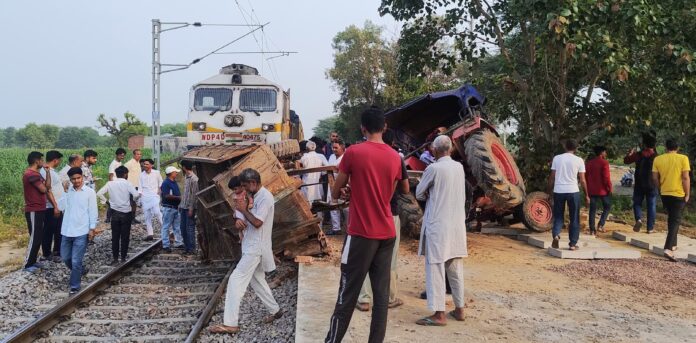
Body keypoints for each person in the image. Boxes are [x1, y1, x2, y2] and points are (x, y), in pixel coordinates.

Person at [324, 107, 402, 343]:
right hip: (387, 233)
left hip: (360, 234)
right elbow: (386, 195)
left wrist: (349, 190)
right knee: (381, 300)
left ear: (362, 128)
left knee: (346, 295)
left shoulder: (354, 153)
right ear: (384, 127)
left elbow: (335, 192)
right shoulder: (394, 157)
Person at [209, 168, 281, 335]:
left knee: (235, 280)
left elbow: (257, 222)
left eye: (244, 186)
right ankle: (275, 310)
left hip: (256, 247)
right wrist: (239, 221)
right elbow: (247, 218)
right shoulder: (254, 196)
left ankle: (230, 323)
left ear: (253, 183)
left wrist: (243, 211)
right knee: (257, 280)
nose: (243, 189)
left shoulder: (265, 197)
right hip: (250, 244)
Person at [413, 135, 467, 326]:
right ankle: (459, 309)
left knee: (435, 267)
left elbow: (419, 192)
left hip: (438, 226)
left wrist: (430, 192)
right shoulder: (459, 167)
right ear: (450, 149)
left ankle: (439, 314)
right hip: (456, 225)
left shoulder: (433, 168)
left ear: (434, 150)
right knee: (455, 268)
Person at [357, 129, 409, 312]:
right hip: (390, 214)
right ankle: (389, 297)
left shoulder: (361, 154)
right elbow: (406, 189)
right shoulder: (396, 157)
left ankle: (364, 299)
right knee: (389, 259)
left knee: (364, 258)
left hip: (366, 215)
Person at [58, 167, 97, 294]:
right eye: (73, 179)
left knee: (76, 260)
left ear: (83, 177)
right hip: (67, 230)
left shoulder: (89, 192)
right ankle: (80, 270)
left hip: (81, 231)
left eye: (78, 178)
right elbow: (60, 207)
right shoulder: (68, 192)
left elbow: (93, 211)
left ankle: (74, 286)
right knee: (66, 258)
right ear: (70, 180)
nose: (76, 181)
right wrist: (64, 192)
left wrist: (92, 228)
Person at [651, 139, 690, 262]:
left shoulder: (658, 159)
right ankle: (668, 249)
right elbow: (685, 177)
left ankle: (673, 244)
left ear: (666, 147)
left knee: (672, 218)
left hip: (665, 193)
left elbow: (654, 177)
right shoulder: (683, 158)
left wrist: (660, 187)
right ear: (677, 147)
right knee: (675, 220)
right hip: (678, 194)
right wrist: (687, 193)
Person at [548, 139, 590, 250]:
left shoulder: (557, 158)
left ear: (565, 146)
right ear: (575, 148)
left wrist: (549, 192)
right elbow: (582, 180)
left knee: (558, 216)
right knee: (574, 218)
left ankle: (556, 235)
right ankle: (572, 244)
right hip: (573, 191)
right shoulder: (579, 160)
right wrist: (586, 195)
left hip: (559, 191)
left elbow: (552, 177)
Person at [97, 166, 140, 265]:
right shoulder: (128, 183)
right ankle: (123, 258)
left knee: (115, 236)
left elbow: (99, 193)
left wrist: (107, 202)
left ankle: (115, 258)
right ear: (125, 174)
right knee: (125, 236)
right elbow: (136, 195)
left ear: (116, 174)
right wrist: (134, 201)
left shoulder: (110, 183)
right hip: (126, 213)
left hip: (115, 213)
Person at [23, 151, 52, 272]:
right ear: (36, 161)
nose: (43, 162)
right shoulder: (31, 174)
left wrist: (48, 172)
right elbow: (43, 189)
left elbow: (48, 186)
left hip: (40, 208)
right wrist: (45, 185)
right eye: (41, 159)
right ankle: (27, 264)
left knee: (38, 237)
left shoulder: (37, 174)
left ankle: (33, 261)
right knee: (35, 237)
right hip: (34, 209)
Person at [624, 132, 658, 233]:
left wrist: (630, 153)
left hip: (639, 183)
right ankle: (650, 228)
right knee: (651, 205)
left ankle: (638, 219)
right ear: (654, 145)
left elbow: (626, 161)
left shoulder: (638, 155)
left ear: (644, 144)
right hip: (652, 184)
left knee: (637, 203)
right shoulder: (657, 157)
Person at [40, 150, 64, 263]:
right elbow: (47, 191)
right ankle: (46, 253)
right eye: (59, 160)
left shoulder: (52, 171)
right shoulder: (45, 172)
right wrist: (55, 206)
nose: (59, 162)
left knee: (58, 230)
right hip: (51, 207)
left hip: (58, 206)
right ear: (55, 160)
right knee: (49, 231)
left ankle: (56, 252)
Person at [585, 146, 613, 236]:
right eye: (605, 152)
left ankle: (592, 230)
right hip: (603, 190)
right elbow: (606, 178)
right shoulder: (604, 163)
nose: (606, 154)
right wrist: (609, 188)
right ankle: (600, 224)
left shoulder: (589, 163)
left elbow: (585, 177)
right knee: (607, 207)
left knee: (592, 210)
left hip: (592, 190)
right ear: (601, 153)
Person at [327, 139, 348, 235]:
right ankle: (336, 228)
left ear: (342, 147)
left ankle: (349, 228)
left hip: (345, 184)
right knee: (333, 205)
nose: (334, 149)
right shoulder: (331, 157)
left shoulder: (346, 157)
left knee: (346, 207)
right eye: (333, 147)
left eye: (336, 147)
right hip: (332, 183)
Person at [160, 166, 183, 252]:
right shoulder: (166, 183)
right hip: (168, 208)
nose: (177, 173)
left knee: (176, 226)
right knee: (166, 227)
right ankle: (165, 245)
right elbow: (166, 195)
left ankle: (178, 242)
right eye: (175, 172)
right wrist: (179, 198)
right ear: (171, 173)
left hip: (175, 208)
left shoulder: (173, 182)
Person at [300, 141, 328, 210]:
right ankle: (320, 220)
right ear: (315, 148)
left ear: (306, 148)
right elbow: (326, 169)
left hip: (306, 185)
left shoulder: (304, 157)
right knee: (319, 205)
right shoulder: (321, 156)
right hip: (318, 184)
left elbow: (299, 170)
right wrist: (321, 174)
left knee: (307, 206)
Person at [179, 160, 199, 255]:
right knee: (183, 228)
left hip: (189, 208)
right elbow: (185, 194)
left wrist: (191, 208)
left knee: (189, 228)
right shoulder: (186, 177)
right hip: (183, 206)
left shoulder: (194, 179)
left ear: (184, 167)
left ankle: (191, 248)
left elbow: (194, 195)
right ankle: (187, 247)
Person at [139, 159, 163, 241]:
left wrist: (159, 190)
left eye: (146, 164)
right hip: (145, 196)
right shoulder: (141, 175)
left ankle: (164, 229)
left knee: (157, 212)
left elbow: (161, 182)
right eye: (144, 164)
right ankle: (150, 234)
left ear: (151, 165)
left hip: (154, 196)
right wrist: (140, 195)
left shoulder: (156, 173)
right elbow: (140, 186)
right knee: (147, 216)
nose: (145, 165)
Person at [105, 148, 127, 223]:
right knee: (112, 201)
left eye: (123, 156)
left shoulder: (120, 163)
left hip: (119, 184)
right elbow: (110, 175)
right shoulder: (113, 164)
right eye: (121, 155)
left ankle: (115, 216)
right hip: (114, 184)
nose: (122, 157)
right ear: (117, 155)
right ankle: (108, 218)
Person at [124, 149, 143, 224]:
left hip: (137, 185)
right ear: (134, 155)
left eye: (140, 154)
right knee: (131, 202)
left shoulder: (138, 163)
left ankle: (133, 218)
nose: (139, 155)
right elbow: (124, 173)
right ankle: (129, 219)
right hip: (131, 185)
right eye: (137, 154)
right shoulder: (129, 163)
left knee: (134, 202)